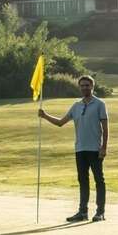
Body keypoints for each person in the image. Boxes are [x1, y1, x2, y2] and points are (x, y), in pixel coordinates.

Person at [38, 75, 108, 223]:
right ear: (79, 87)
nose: (84, 88)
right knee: (83, 180)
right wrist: (44, 116)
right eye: (82, 85)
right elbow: (60, 123)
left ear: (92, 87)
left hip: (95, 149)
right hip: (80, 149)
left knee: (99, 180)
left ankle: (100, 212)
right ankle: (82, 212)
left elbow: (105, 128)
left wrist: (104, 147)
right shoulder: (76, 106)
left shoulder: (100, 104)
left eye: (87, 85)